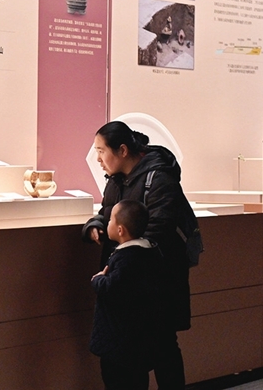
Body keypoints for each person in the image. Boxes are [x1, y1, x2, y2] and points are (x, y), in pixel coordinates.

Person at [83, 120, 192, 389]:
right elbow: (109, 212)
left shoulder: (159, 178)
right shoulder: (115, 180)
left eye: (101, 151)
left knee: (163, 347)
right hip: (128, 280)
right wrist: (96, 224)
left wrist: (124, 261)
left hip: (156, 282)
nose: (98, 159)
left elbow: (159, 228)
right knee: (132, 352)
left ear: (122, 150)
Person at [90, 199, 161, 390]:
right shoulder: (150, 252)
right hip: (139, 339)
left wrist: (98, 280)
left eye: (111, 220)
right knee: (138, 380)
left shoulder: (127, 258)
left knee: (117, 380)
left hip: (119, 342)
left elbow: (112, 287)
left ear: (120, 230)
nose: (108, 223)